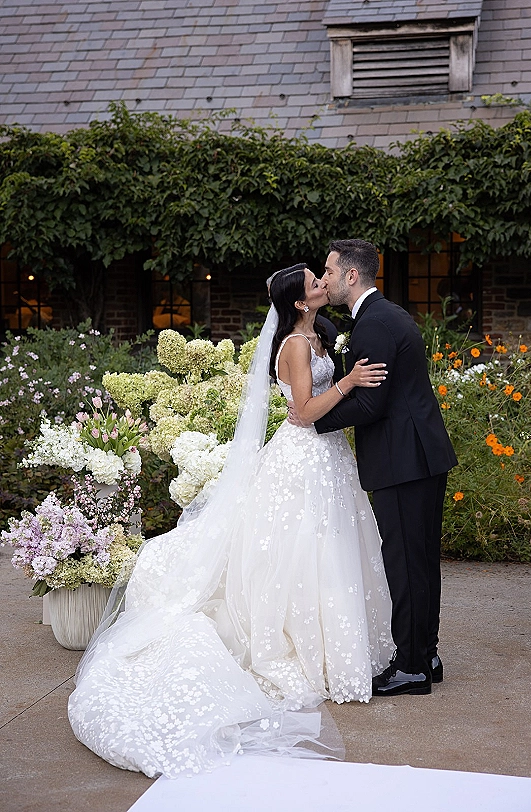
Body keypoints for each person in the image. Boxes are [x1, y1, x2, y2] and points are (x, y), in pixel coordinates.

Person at [68, 262, 393, 778]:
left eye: (320, 276)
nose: (322, 284)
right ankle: (296, 647)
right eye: (314, 282)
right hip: (302, 456)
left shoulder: (322, 336)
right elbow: (304, 411)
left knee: (329, 549)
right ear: (299, 302)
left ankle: (337, 647)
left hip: (327, 460)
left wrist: (347, 371)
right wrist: (352, 381)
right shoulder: (292, 346)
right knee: (299, 551)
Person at [297, 239, 457, 697]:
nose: (323, 278)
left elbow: (371, 403)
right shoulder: (384, 316)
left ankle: (410, 667)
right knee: (421, 560)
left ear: (351, 275)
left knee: (406, 563)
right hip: (417, 456)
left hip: (402, 461)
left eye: (329, 270)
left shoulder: (374, 326)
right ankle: (424, 652)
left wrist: (314, 419)